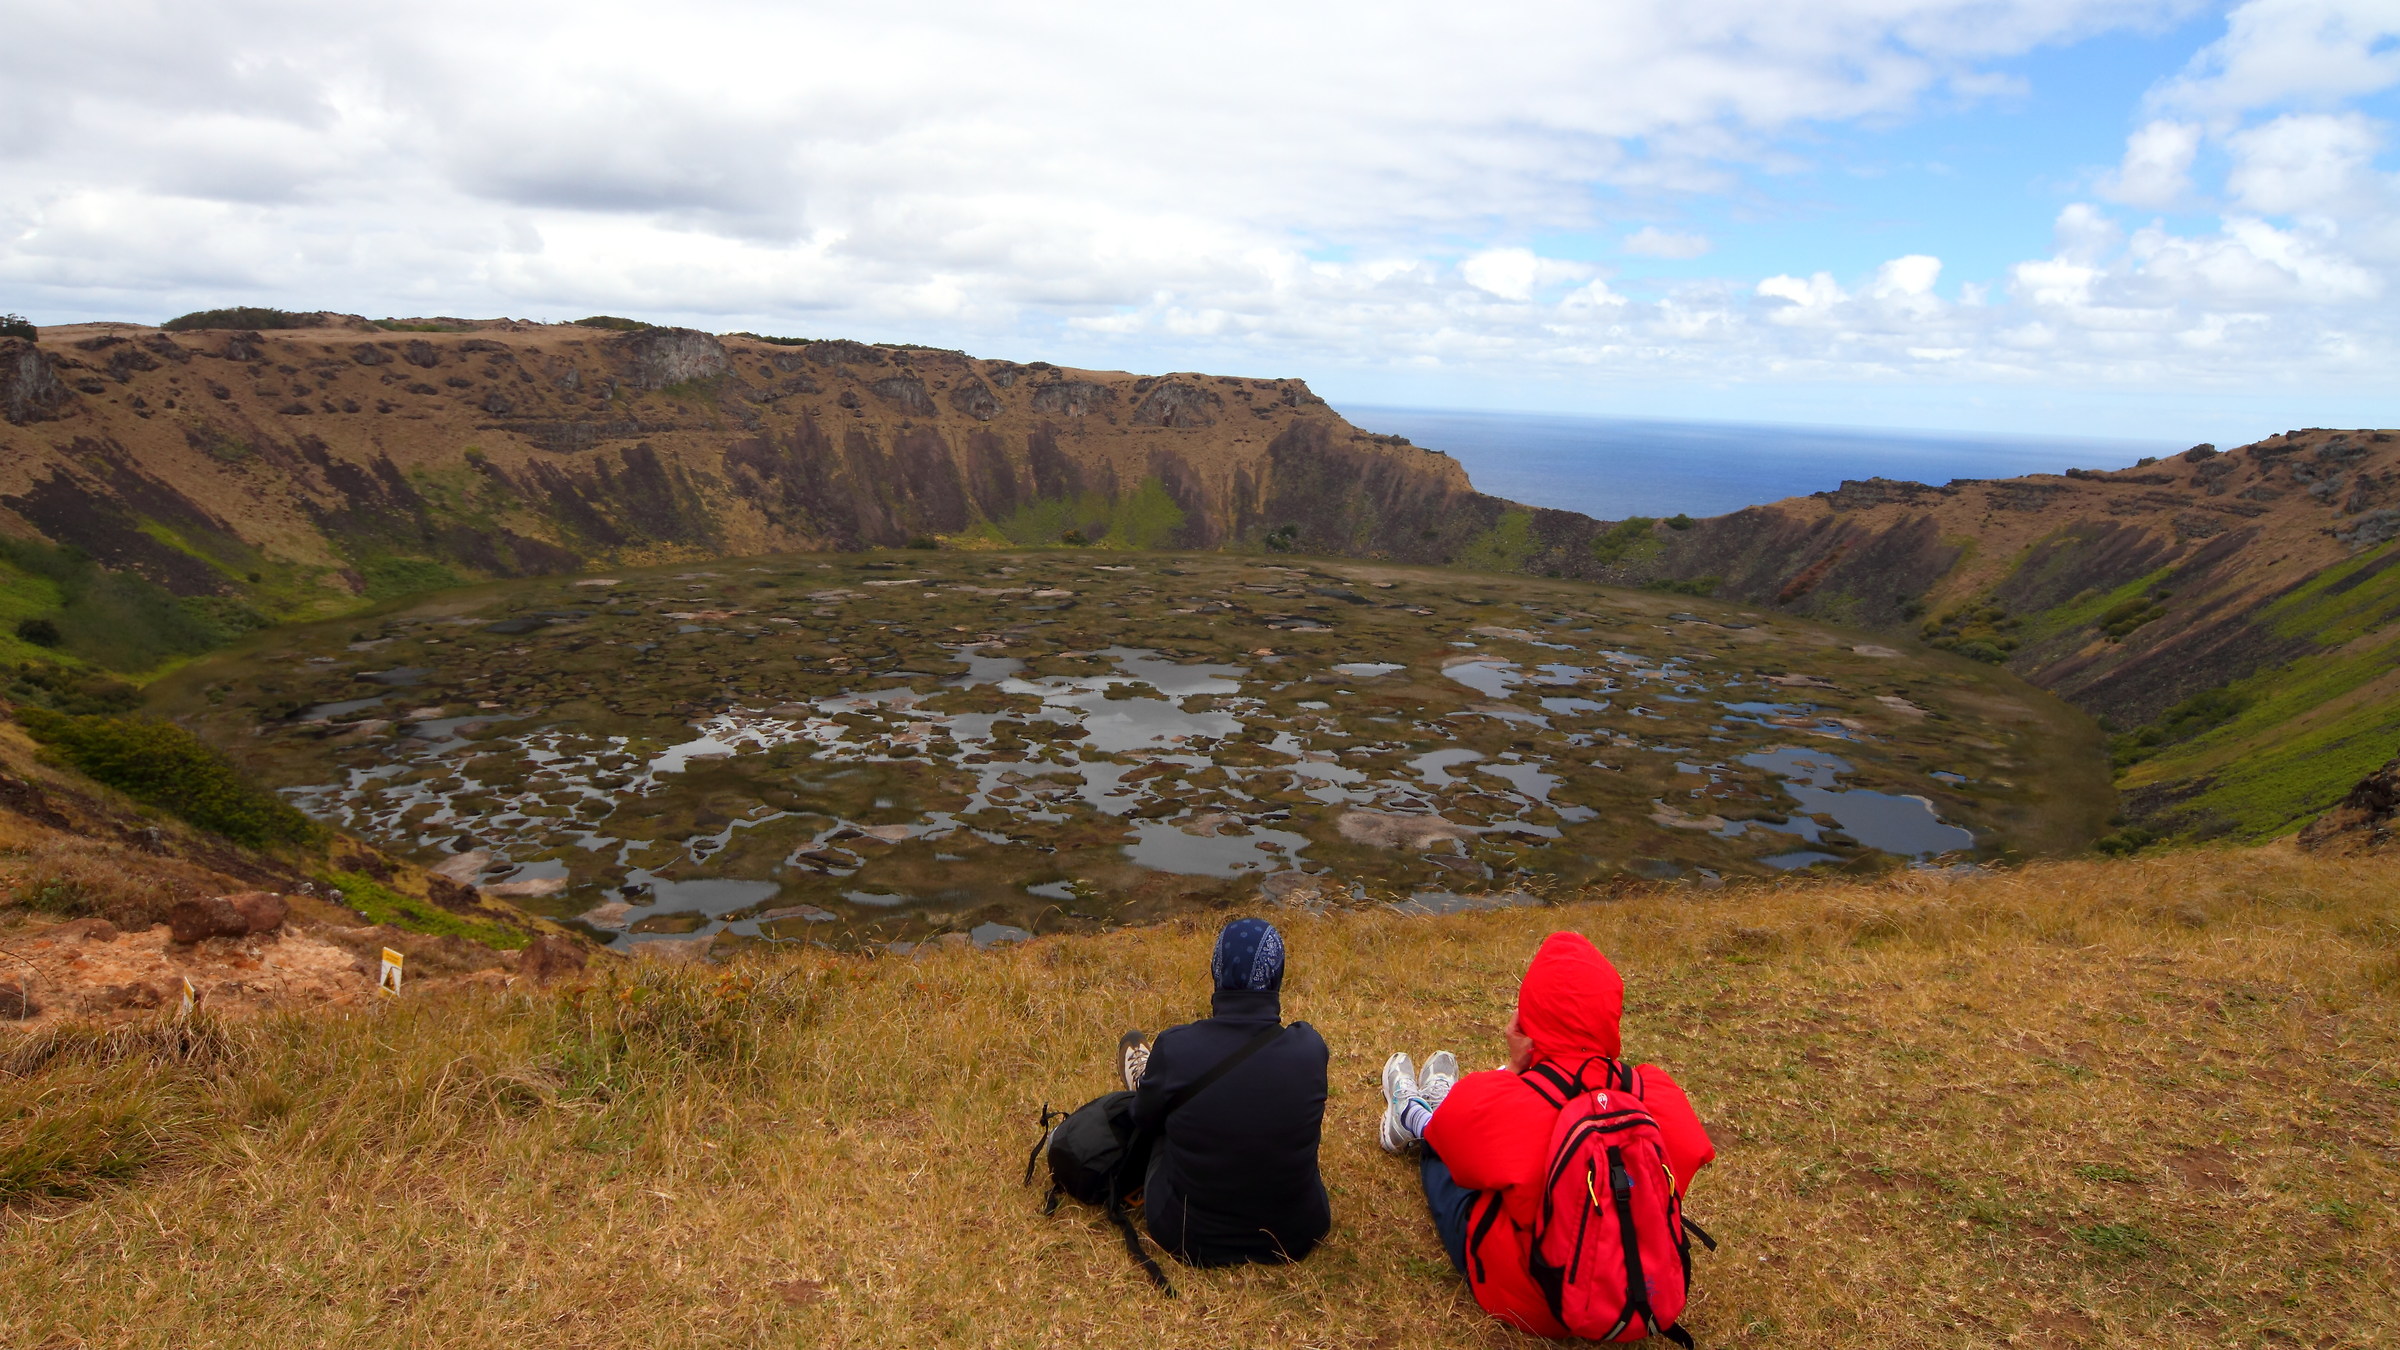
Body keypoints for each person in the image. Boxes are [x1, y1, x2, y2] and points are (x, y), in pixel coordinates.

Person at [1376, 931, 1716, 1337]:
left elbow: (1452, 1132)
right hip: (1634, 1290)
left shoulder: (1510, 1105)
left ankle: (1409, 1114)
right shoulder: (1651, 1090)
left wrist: (1515, 1069)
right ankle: (1418, 1109)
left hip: (1529, 1300)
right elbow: (1694, 1150)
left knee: (1441, 1154)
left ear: (1528, 1015)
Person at [1117, 917, 1332, 1266]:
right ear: (1277, 976)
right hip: (1296, 1233)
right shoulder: (1310, 1048)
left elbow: (1142, 1119)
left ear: (1217, 971)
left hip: (1188, 1234)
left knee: (1160, 1117)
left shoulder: (1176, 1047)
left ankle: (1148, 1081)